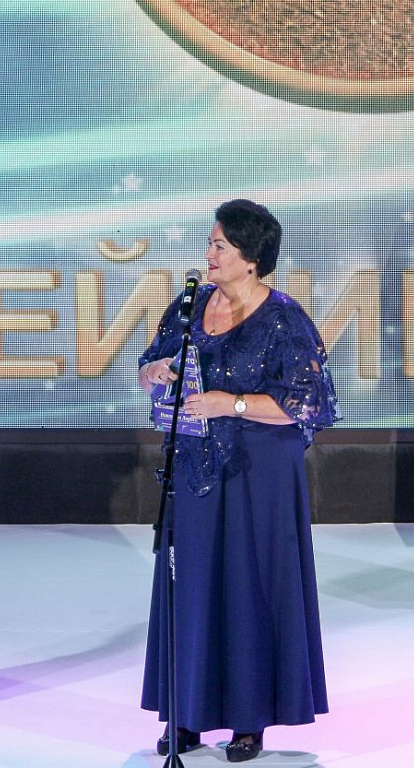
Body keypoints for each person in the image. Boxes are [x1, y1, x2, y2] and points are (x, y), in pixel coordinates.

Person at [138, 199, 340, 761]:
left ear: (251, 258)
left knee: (251, 588)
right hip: (194, 465)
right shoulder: (189, 306)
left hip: (259, 472)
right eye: (211, 243)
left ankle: (250, 718)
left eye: (220, 245)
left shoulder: (284, 318)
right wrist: (155, 372)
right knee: (190, 586)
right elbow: (149, 368)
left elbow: (307, 404)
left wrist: (233, 403)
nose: (209, 253)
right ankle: (187, 714)